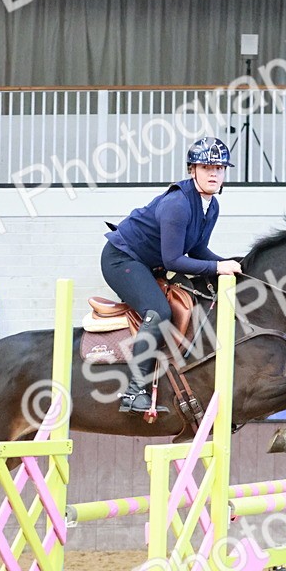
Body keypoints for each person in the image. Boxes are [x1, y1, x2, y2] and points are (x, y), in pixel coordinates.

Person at [101, 136, 243, 415]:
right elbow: (174, 260)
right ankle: (133, 392)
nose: (214, 173)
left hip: (148, 263)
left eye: (220, 168)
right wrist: (217, 268)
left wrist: (232, 263)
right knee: (159, 312)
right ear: (192, 170)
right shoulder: (178, 204)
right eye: (206, 167)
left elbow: (199, 249)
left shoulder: (211, 206)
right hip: (121, 260)